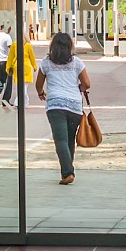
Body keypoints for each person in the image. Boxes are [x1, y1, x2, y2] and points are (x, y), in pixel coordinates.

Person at [36, 30, 91, 185]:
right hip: (74, 106)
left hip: (55, 106)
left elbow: (38, 84)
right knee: (69, 140)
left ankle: (68, 172)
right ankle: (67, 171)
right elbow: (87, 83)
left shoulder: (46, 63)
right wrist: (77, 89)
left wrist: (41, 93)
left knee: (60, 140)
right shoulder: (77, 62)